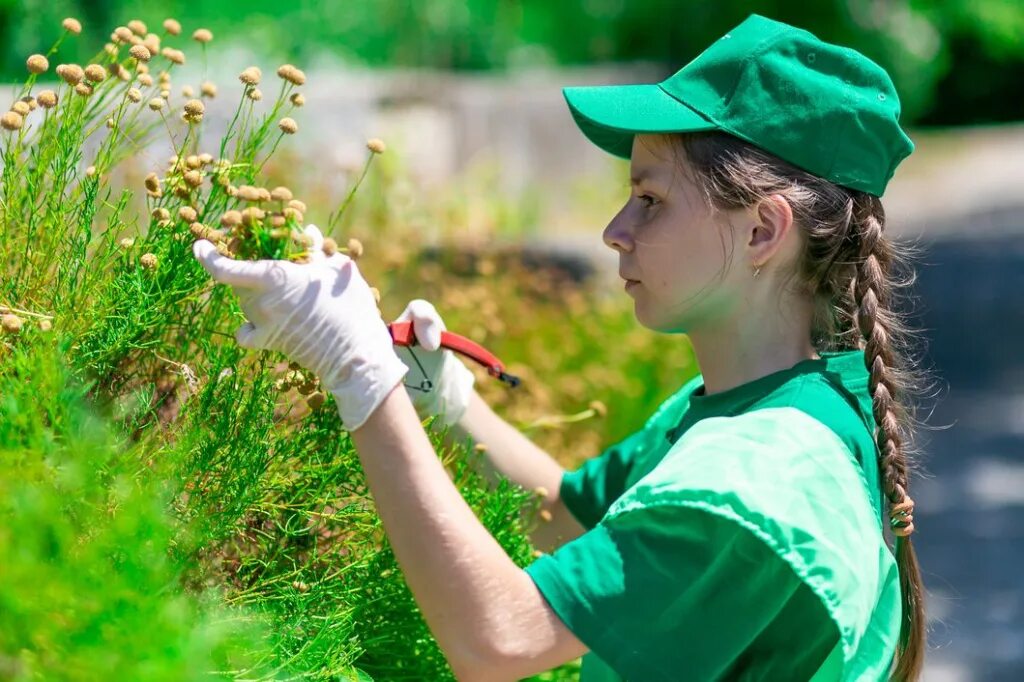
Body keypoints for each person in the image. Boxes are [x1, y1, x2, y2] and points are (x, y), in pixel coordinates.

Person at [192, 13, 932, 682]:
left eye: (651, 199)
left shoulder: (757, 475)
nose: (615, 230)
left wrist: (359, 375)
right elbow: (560, 512)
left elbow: (500, 638)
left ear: (763, 231)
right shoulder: (781, 401)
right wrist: (447, 401)